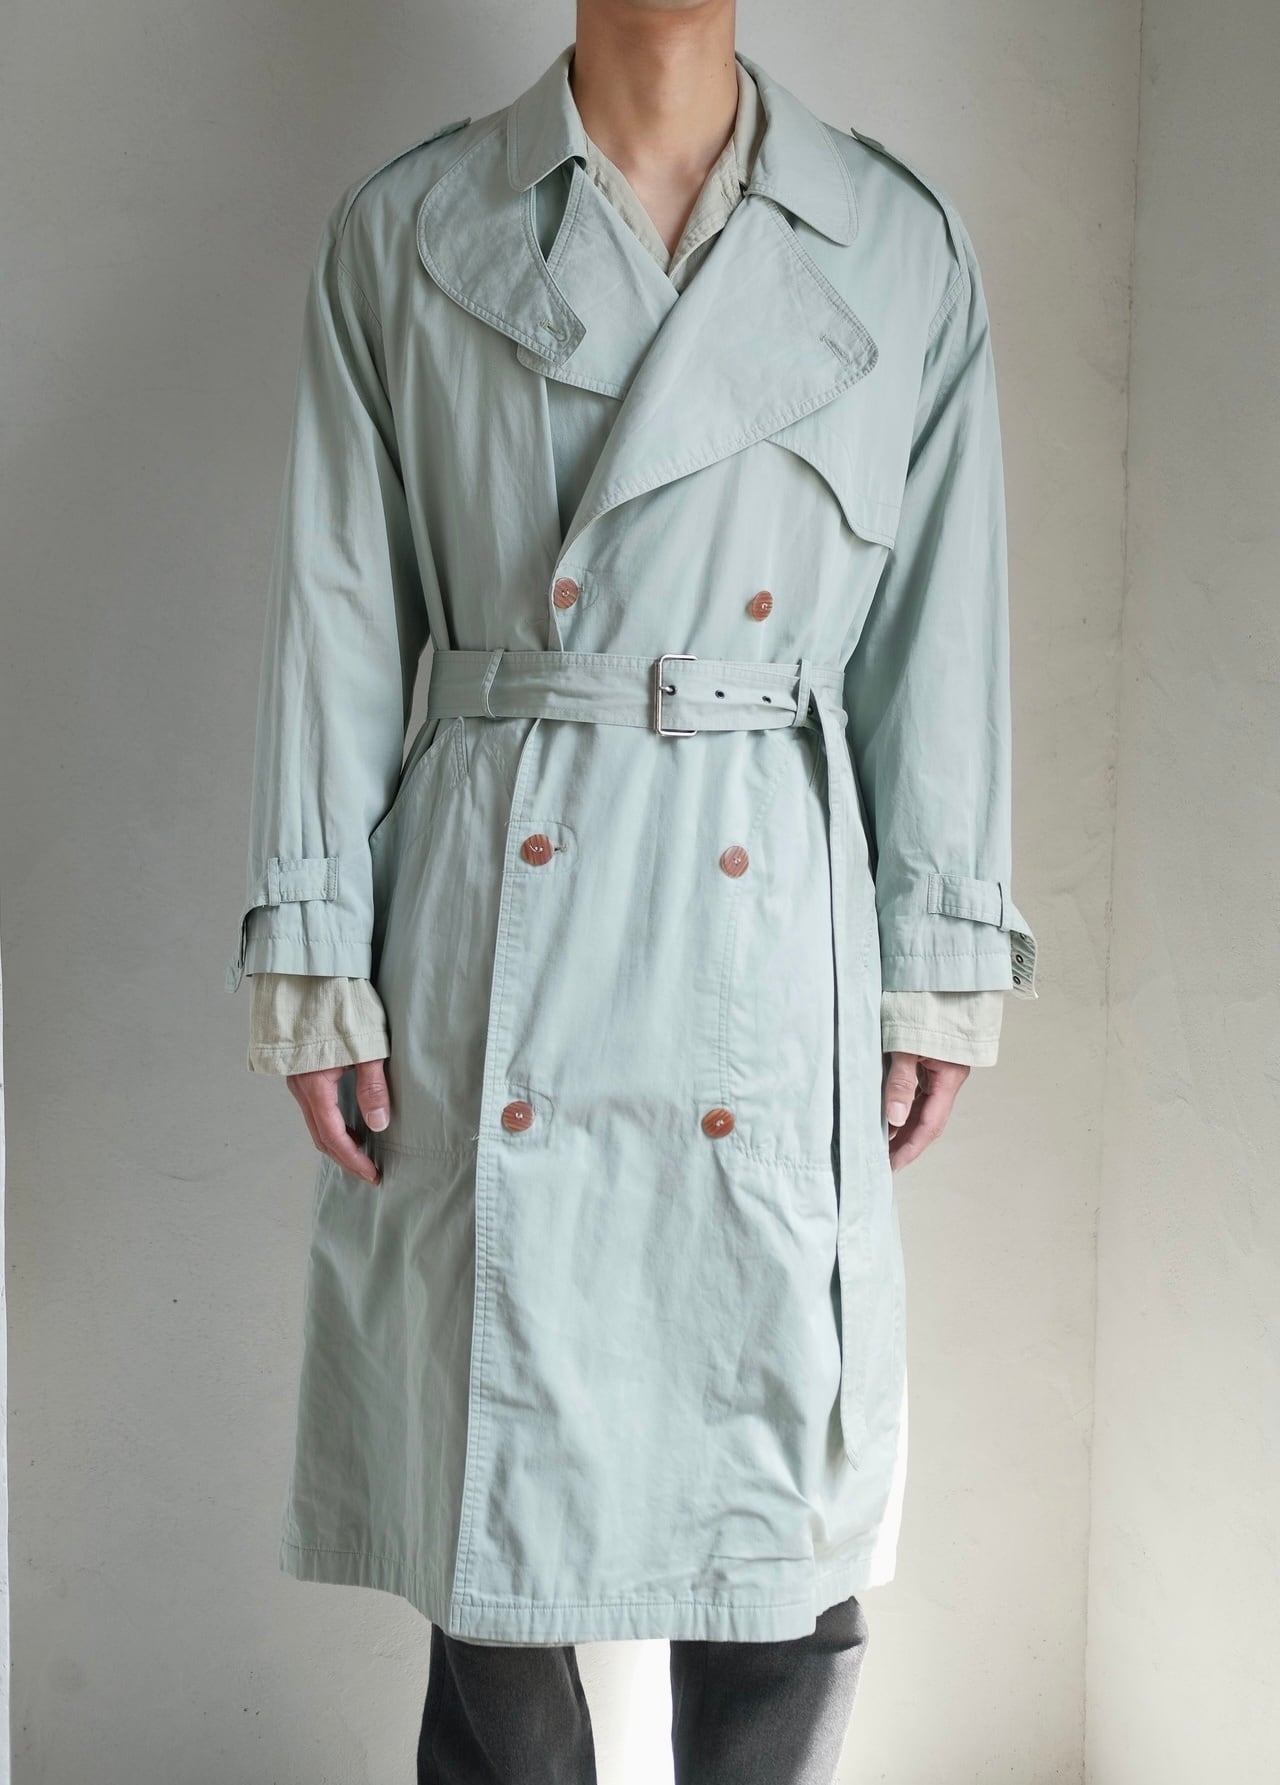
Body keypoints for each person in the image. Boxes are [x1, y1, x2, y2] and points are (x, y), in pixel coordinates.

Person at [226, 4, 1038, 1779]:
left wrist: (940, 952)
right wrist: (316, 945)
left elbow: (938, 639)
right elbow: (342, 612)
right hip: (494, 922)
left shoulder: (897, 245)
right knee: (491, 1521)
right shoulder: (413, 228)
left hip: (768, 932)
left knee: (780, 1534)